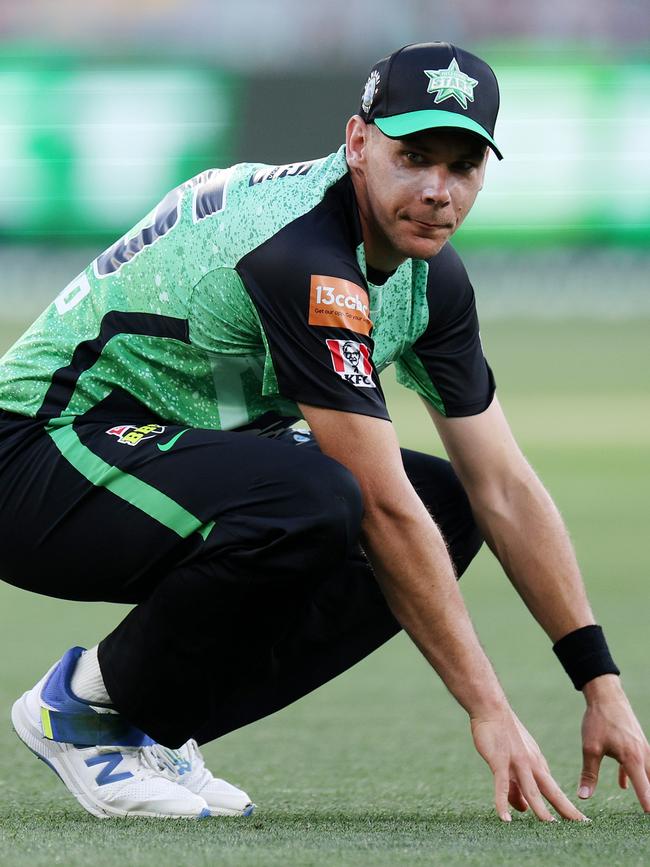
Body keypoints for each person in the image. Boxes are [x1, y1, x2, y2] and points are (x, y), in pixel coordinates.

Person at [0, 41, 648, 822]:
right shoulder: (301, 251)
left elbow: (502, 485)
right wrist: (490, 708)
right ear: (357, 142)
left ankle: (150, 726)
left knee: (446, 505)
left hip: (157, 453)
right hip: (35, 456)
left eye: (464, 166)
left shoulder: (427, 275)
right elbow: (376, 503)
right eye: (414, 157)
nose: (439, 191)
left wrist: (599, 683)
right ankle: (82, 707)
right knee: (322, 498)